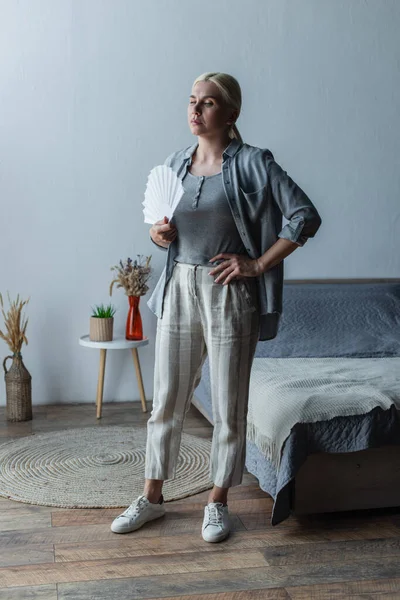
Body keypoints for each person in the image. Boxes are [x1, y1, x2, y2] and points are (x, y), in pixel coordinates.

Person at [111, 72, 322, 542]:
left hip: (227, 290)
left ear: (230, 114)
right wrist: (156, 234)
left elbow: (304, 215)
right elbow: (161, 227)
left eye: (207, 103)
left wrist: (257, 264)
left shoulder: (253, 163)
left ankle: (217, 501)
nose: (196, 110)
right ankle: (152, 497)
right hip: (177, 287)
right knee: (166, 400)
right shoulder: (174, 163)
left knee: (229, 405)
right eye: (192, 101)